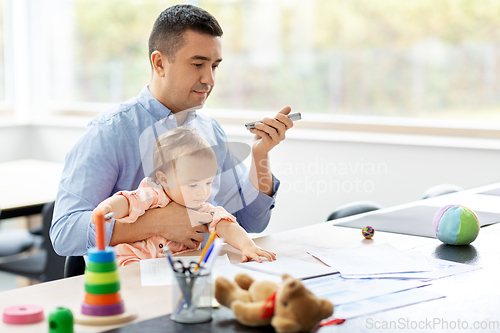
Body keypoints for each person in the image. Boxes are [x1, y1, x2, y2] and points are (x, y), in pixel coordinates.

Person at [51, 4, 293, 256]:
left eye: (215, 66)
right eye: (198, 64)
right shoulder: (109, 133)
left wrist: (260, 156)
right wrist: (155, 223)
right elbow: (65, 234)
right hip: (135, 283)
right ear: (159, 64)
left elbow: (252, 222)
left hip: (203, 273)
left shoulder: (211, 130)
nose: (210, 79)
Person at [95, 127, 276, 266]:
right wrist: (106, 209)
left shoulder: (200, 209)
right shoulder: (152, 195)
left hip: (169, 269)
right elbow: (126, 201)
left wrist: (247, 246)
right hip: (129, 260)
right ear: (164, 180)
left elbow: (225, 225)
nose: (202, 192)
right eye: (193, 184)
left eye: (208, 183)